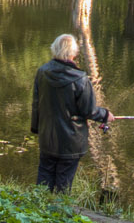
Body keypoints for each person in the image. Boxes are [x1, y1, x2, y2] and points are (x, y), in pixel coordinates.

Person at [31, 33, 114, 192]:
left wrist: (37, 128)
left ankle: (38, 211)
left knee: (44, 177)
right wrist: (105, 115)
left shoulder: (42, 72)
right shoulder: (80, 79)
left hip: (48, 137)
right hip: (71, 141)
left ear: (54, 49)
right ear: (73, 53)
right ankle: (60, 213)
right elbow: (89, 110)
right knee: (64, 183)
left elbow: (36, 104)